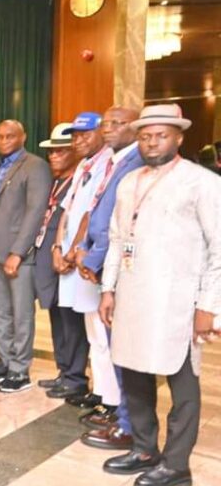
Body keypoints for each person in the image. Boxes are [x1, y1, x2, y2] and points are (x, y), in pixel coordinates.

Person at [99, 104, 221, 486]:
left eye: (161, 135)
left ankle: (176, 464)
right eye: (146, 136)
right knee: (134, 374)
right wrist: (108, 288)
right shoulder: (129, 181)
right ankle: (145, 448)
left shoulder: (201, 182)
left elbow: (219, 248)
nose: (153, 142)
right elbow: (118, 240)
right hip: (133, 295)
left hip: (179, 300)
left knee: (183, 382)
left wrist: (209, 306)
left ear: (179, 137)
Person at [75, 106, 143, 450]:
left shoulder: (137, 161)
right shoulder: (116, 161)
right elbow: (96, 212)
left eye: (119, 123)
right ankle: (123, 418)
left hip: (120, 268)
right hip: (102, 264)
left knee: (123, 349)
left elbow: (121, 221)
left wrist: (95, 255)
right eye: (107, 124)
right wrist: (86, 249)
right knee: (111, 345)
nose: (110, 129)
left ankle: (129, 425)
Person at [0, 120, 51, 392]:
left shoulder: (35, 166)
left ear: (23, 136)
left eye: (10, 136)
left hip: (18, 255)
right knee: (0, 311)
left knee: (21, 313)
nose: (4, 140)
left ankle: (20, 371)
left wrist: (17, 252)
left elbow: (35, 212)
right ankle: (5, 362)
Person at [53, 112, 113, 407]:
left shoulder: (108, 165)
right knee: (87, 328)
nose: (79, 140)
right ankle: (95, 389)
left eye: (86, 134)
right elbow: (68, 211)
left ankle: (107, 396)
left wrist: (76, 248)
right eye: (75, 135)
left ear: (101, 132)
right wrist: (56, 247)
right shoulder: (84, 167)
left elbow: (91, 214)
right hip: (70, 257)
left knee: (99, 331)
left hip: (87, 259)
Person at [32, 123, 89, 400]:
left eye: (60, 152)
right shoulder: (53, 182)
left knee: (72, 320)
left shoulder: (81, 179)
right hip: (49, 257)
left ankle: (76, 376)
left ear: (74, 153)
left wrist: (66, 249)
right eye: (51, 152)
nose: (54, 157)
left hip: (68, 259)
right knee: (56, 315)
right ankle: (63, 370)